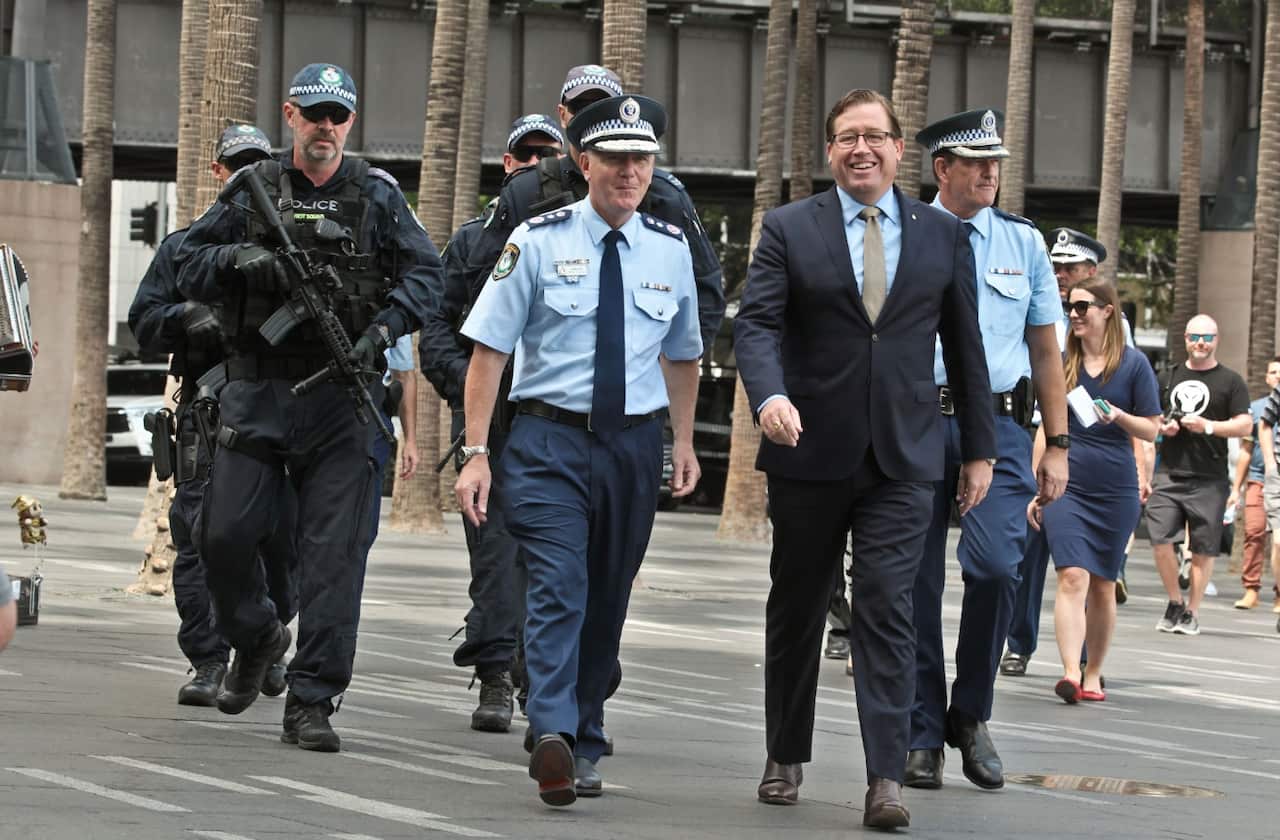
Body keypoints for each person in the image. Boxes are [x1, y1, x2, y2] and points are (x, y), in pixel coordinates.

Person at [734, 89, 996, 830]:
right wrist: (769, 398)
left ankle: (887, 778)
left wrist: (979, 450)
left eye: (875, 137)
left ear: (898, 148)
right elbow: (756, 327)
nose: (862, 149)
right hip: (807, 448)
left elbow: (967, 351)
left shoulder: (941, 236)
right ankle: (784, 754)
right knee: (799, 606)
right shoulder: (789, 228)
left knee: (888, 607)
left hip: (906, 459)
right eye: (848, 137)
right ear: (829, 151)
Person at [175, 63, 442, 752]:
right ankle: (257, 635)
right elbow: (184, 262)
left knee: (334, 559)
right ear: (290, 115)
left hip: (343, 401)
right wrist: (242, 259)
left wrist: (382, 329)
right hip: (259, 392)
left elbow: (427, 278)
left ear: (350, 123)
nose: (327, 127)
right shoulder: (252, 188)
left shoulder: (378, 196)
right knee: (222, 536)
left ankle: (313, 700)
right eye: (315, 113)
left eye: (339, 116)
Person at [454, 94, 702, 806]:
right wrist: (476, 452)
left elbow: (683, 356)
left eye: (642, 159)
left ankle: (583, 734)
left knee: (608, 596)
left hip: (630, 445)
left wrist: (682, 440)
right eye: (616, 159)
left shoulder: (671, 248)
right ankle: (555, 726)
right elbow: (488, 353)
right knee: (559, 583)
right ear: (583, 161)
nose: (629, 172)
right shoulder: (536, 240)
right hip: (546, 441)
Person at [905, 109, 1068, 793]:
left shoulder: (1022, 243)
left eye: (995, 161)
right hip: (912, 420)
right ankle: (920, 731)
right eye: (975, 162)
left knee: (1000, 566)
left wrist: (1057, 443)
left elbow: (1045, 349)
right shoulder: (905, 235)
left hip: (994, 426)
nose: (990, 172)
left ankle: (969, 714)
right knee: (912, 581)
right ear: (942, 169)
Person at [127, 124, 298, 708]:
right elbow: (143, 319)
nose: (248, 178)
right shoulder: (184, 249)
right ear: (218, 173)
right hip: (207, 413)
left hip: (278, 415)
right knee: (198, 538)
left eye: (259, 165)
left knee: (282, 541)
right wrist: (184, 316)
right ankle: (207, 659)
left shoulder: (289, 249)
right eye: (237, 166)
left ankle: (263, 637)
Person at [420, 113, 564, 733]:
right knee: (497, 555)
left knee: (554, 557)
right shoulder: (474, 243)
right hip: (494, 425)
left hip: (559, 419)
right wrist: (473, 389)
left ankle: (544, 681)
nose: (535, 165)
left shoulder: (581, 237)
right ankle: (496, 674)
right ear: (507, 165)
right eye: (524, 155)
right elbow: (435, 328)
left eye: (546, 155)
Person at [466, 65, 725, 354]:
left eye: (601, 107)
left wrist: (663, 373)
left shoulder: (664, 196)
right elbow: (482, 295)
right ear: (563, 115)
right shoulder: (525, 191)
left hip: (642, 389)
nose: (590, 116)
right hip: (541, 386)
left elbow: (704, 295)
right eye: (580, 107)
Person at [1028, 280, 1160, 703]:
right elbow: (1043, 429)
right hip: (1068, 482)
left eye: (1083, 306)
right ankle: (1069, 671)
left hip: (1115, 487)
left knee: (1103, 583)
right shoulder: (1060, 362)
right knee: (1072, 575)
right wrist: (1037, 486)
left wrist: (1120, 415)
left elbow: (1153, 428)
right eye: (1070, 306)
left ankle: (1094, 673)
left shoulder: (1134, 365)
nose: (1074, 313)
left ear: (1107, 310)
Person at [1002, 227, 1108, 678]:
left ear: (1092, 272)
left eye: (1070, 268)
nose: (1061, 274)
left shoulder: (1109, 325)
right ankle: (1018, 643)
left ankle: (1086, 659)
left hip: (1083, 452)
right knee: (1025, 549)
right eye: (1057, 266)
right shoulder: (1036, 305)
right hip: (1033, 438)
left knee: (1084, 565)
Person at [1147, 316, 1251, 635]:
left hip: (1210, 477)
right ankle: (1174, 601)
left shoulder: (1231, 381)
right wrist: (1164, 428)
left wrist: (1207, 426)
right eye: (1195, 336)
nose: (1201, 342)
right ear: (1186, 339)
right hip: (1169, 473)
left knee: (1203, 548)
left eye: (1207, 337)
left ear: (1216, 339)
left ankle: (1192, 611)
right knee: (1160, 538)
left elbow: (1245, 424)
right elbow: (1149, 418)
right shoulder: (1168, 376)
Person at [1231, 357, 1280, 610]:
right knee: (1254, 532)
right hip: (1260, 479)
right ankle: (1251, 589)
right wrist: (1235, 488)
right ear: (1267, 377)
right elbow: (1246, 450)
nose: (1278, 376)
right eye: (1273, 372)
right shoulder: (1257, 408)